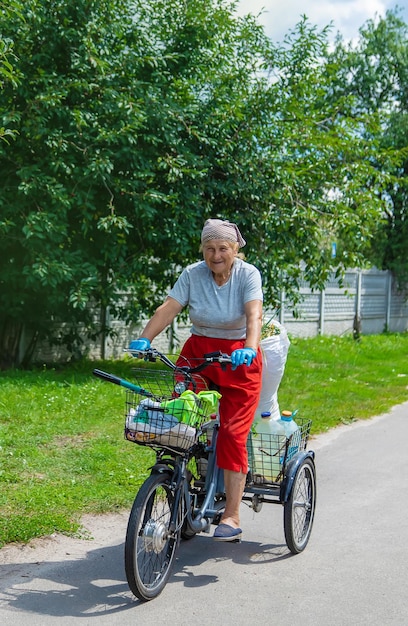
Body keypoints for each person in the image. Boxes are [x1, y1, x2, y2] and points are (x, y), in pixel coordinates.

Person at [129, 218, 263, 542]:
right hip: (199, 352)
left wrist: (249, 346)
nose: (216, 255)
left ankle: (231, 514)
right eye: (209, 248)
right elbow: (169, 308)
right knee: (180, 417)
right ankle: (183, 487)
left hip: (238, 357)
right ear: (202, 249)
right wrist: (144, 338)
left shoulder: (248, 275)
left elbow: (254, 314)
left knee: (232, 433)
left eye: (222, 248)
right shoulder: (192, 274)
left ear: (235, 250)